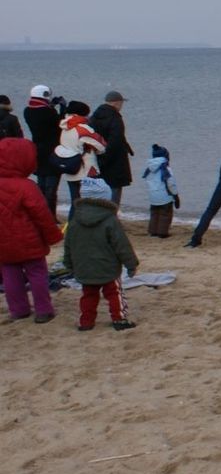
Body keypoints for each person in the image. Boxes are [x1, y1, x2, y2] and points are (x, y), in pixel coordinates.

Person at [0, 137, 64, 323]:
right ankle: (43, 310)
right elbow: (42, 215)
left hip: (4, 242)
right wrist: (53, 236)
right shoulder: (26, 186)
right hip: (29, 241)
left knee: (10, 275)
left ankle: (19, 310)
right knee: (37, 274)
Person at [62, 191, 139, 331]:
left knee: (88, 295)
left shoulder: (75, 219)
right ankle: (119, 319)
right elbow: (121, 245)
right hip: (108, 267)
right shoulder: (110, 220)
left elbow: (68, 245)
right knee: (114, 294)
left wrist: (68, 264)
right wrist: (131, 264)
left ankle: (86, 322)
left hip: (84, 267)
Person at [56, 101, 106, 218]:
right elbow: (102, 146)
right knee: (88, 204)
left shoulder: (64, 128)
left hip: (71, 169)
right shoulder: (83, 129)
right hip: (86, 170)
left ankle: (71, 226)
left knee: (75, 203)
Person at [23, 86, 63, 217]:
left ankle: (40, 213)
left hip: (38, 151)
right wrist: (63, 107)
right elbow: (60, 124)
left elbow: (43, 117)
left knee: (41, 184)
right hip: (52, 151)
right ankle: (50, 215)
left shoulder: (27, 111)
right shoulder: (48, 112)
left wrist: (52, 106)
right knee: (51, 186)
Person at [90, 91, 134, 204]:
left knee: (100, 194)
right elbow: (116, 141)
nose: (121, 106)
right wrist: (106, 158)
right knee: (114, 193)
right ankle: (112, 213)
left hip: (97, 160)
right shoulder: (115, 118)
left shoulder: (95, 116)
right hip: (115, 163)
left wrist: (100, 160)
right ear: (116, 103)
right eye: (121, 103)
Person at [142, 144, 180, 238]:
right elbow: (171, 184)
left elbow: (147, 181)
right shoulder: (166, 168)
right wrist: (176, 196)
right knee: (165, 214)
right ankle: (162, 233)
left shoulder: (149, 169)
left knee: (154, 214)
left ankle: (153, 231)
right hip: (165, 196)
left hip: (153, 196)